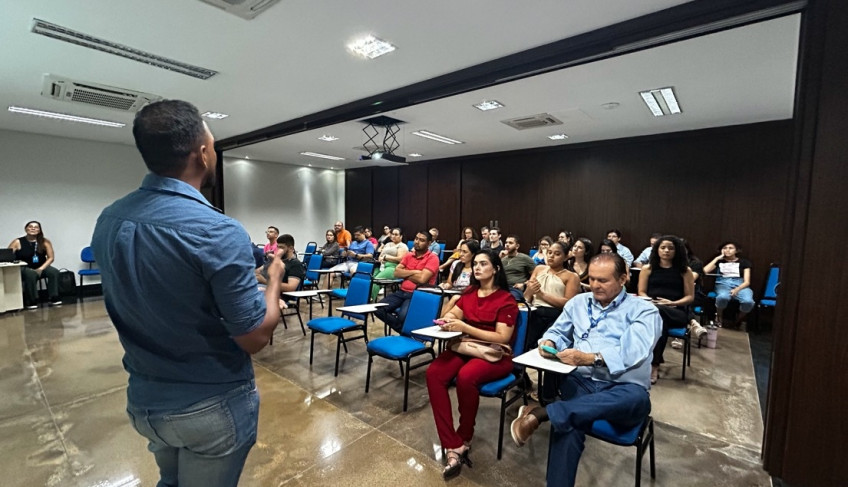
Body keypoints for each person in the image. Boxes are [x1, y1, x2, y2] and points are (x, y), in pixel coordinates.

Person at [91, 100, 282, 487]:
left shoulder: (110, 218)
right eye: (212, 144)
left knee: (170, 482)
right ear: (202, 153)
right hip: (209, 405)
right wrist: (274, 279)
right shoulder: (217, 230)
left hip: (145, 398)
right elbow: (254, 337)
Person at [510, 253, 661, 487]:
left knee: (637, 399)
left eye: (603, 280)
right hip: (582, 383)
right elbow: (558, 331)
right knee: (571, 420)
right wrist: (549, 342)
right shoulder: (578, 303)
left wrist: (590, 358)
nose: (595, 286)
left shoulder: (643, 310)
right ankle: (554, 416)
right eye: (591, 279)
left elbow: (633, 351)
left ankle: (546, 413)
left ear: (623, 278)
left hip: (623, 387)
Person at [426, 249, 518, 479]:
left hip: (495, 354)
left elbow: (502, 338)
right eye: (475, 264)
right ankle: (453, 443)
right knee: (434, 373)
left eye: (483, 264)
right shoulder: (470, 292)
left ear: (496, 269)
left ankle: (464, 436)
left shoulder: (506, 300)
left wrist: (465, 327)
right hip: (467, 347)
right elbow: (451, 315)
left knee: (466, 377)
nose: (477, 268)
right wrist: (452, 308)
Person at [523, 241, 581, 401]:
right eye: (549, 252)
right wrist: (529, 291)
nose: (551, 256)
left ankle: (549, 392)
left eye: (557, 254)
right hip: (534, 312)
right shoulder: (539, 269)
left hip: (557, 316)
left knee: (550, 351)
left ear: (565, 256)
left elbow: (568, 304)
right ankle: (523, 382)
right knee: (520, 345)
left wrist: (541, 294)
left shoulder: (571, 276)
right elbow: (528, 297)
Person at [637, 235, 694, 384]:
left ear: (677, 251)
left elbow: (690, 297)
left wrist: (672, 303)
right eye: (663, 247)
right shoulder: (647, 269)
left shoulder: (684, 271)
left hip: (677, 311)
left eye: (670, 248)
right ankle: (654, 364)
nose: (666, 251)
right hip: (652, 309)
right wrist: (652, 302)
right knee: (659, 319)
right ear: (657, 250)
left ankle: (653, 365)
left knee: (660, 315)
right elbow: (641, 292)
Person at [374, 230, 440, 333]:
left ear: (429, 243)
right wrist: (415, 272)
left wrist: (405, 273)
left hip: (418, 294)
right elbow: (396, 272)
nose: (417, 242)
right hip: (402, 292)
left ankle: (406, 334)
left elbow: (422, 279)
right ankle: (405, 332)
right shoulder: (409, 255)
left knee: (403, 316)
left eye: (422, 240)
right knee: (377, 308)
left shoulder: (433, 258)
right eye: (416, 239)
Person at [8, 220, 61, 308]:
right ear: (26, 229)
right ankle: (32, 300)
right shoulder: (17, 242)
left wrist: (41, 269)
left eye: (36, 227)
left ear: (39, 230)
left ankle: (54, 296)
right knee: (31, 274)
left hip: (41, 266)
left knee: (54, 272)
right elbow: (8, 255)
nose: (33, 228)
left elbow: (51, 258)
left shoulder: (45, 241)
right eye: (30, 226)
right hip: (24, 268)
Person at [703, 241, 754, 327]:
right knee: (722, 297)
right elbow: (704, 271)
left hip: (741, 285)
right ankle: (719, 317)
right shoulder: (720, 261)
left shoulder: (744, 262)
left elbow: (747, 282)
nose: (727, 250)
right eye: (725, 248)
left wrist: (737, 289)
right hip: (723, 284)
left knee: (748, 302)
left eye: (730, 248)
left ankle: (739, 319)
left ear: (736, 250)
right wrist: (717, 258)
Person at [439, 239, 480, 316]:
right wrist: (446, 285)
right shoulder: (456, 264)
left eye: (465, 252)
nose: (461, 254)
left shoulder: (478, 268)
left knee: (455, 298)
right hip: (454, 295)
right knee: (447, 299)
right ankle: (439, 321)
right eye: (460, 251)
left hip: (471, 298)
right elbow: (449, 283)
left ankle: (438, 322)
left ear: (473, 254)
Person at [370, 227, 408, 301]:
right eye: (392, 234)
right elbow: (381, 256)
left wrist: (386, 257)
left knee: (376, 281)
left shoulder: (402, 246)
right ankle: (364, 298)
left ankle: (370, 300)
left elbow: (400, 259)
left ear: (401, 236)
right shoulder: (387, 244)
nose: (393, 236)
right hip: (382, 265)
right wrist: (381, 258)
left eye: (396, 234)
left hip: (394, 268)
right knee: (369, 279)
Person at [499, 234, 536, 300]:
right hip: (502, 287)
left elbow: (536, 275)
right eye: (506, 242)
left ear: (517, 246)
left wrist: (524, 285)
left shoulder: (525, 258)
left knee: (510, 299)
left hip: (515, 288)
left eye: (510, 243)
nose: (507, 245)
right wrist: (499, 259)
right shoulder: (502, 258)